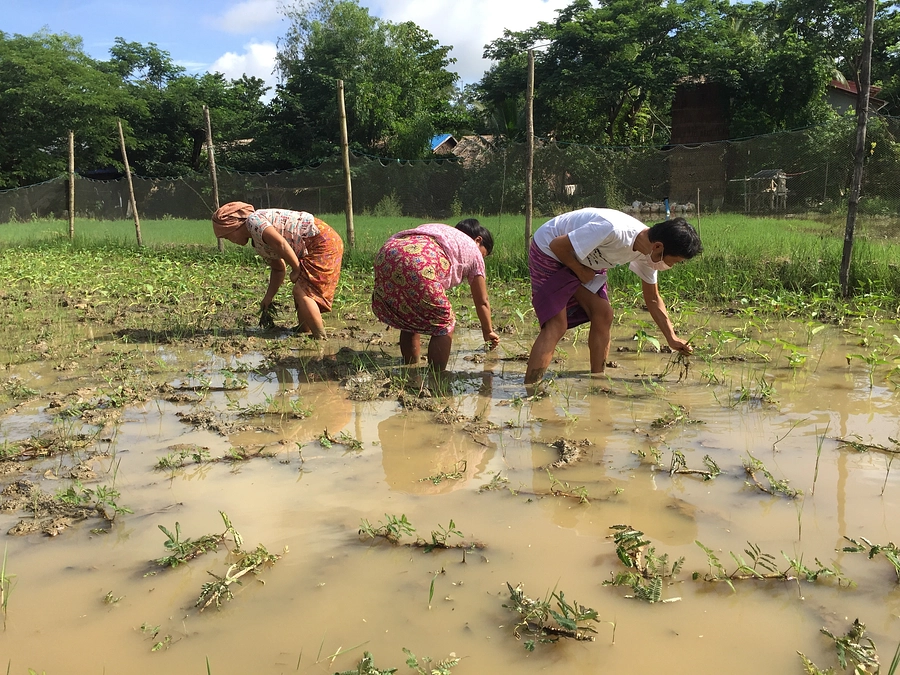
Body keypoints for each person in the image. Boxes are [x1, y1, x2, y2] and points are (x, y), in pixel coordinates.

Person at [524, 207, 702, 386]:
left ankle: (597, 381)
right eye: (676, 261)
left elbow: (653, 298)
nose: (673, 265)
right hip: (550, 250)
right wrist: (579, 270)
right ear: (658, 247)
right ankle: (531, 388)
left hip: (585, 259)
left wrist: (672, 338)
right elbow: (557, 245)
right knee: (556, 324)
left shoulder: (648, 254)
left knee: (604, 313)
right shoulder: (612, 230)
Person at [371, 219, 500, 370]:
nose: (482, 258)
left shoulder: (440, 229)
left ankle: (410, 368)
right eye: (484, 254)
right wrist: (488, 331)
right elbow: (482, 301)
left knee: (410, 313)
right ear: (478, 240)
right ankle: (437, 378)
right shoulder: (473, 248)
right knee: (445, 321)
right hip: (418, 263)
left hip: (387, 253)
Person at [212, 202, 343, 339]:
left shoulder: (253, 221)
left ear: (235, 226)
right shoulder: (258, 243)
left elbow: (280, 243)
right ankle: (305, 329)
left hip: (322, 241)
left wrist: (296, 268)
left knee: (302, 291)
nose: (230, 240)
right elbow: (278, 269)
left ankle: (320, 337)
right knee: (301, 291)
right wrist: (268, 297)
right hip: (314, 245)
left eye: (227, 236)